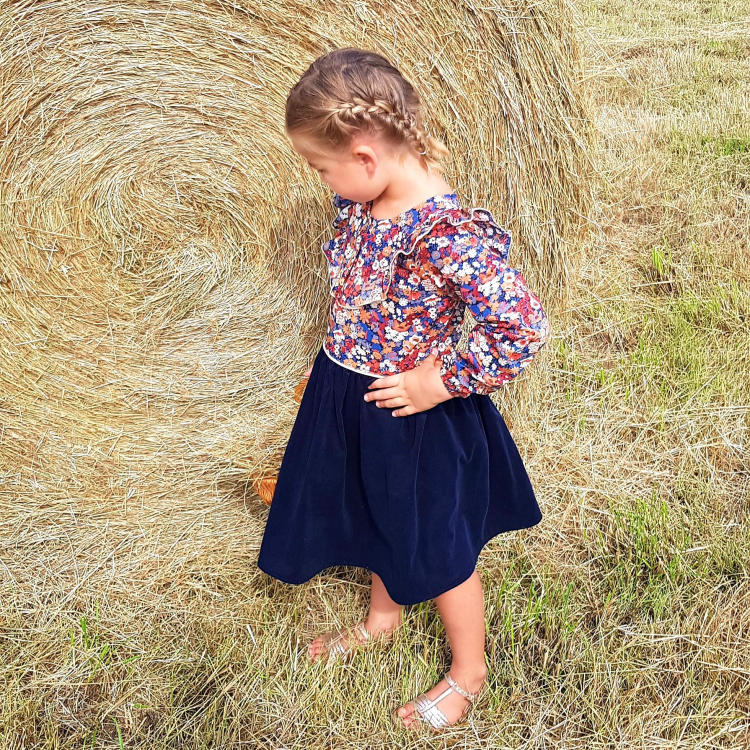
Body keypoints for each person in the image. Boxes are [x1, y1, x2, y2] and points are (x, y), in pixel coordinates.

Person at [257, 47, 551, 732]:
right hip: (353, 394)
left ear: (364, 157)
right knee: (375, 513)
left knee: (439, 545)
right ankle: (381, 620)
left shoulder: (445, 234)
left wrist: (438, 380)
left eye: (319, 166)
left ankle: (468, 671)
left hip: (415, 413)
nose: (319, 180)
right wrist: (334, 360)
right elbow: (360, 297)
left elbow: (523, 327)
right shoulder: (362, 202)